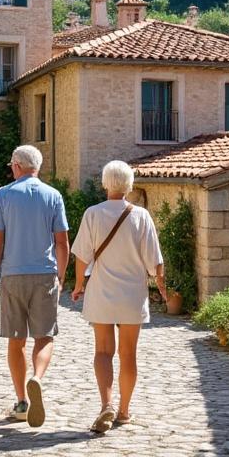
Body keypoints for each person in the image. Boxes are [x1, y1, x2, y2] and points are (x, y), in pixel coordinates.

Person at [69, 160, 165, 433]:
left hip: (101, 291)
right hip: (132, 294)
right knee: (128, 354)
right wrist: (161, 286)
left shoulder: (93, 214)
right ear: (129, 185)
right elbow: (155, 262)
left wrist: (78, 285)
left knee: (102, 351)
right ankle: (123, 411)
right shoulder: (141, 216)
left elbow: (82, 256)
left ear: (104, 183)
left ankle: (106, 404)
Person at [0, 145, 69, 427]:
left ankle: (22, 400)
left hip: (13, 275)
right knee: (44, 337)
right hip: (44, 273)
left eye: (11, 165)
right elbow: (62, 241)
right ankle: (38, 378)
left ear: (18, 166)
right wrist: (61, 274)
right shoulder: (53, 195)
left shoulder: (3, 194)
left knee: (16, 340)